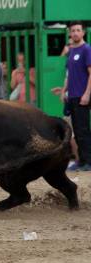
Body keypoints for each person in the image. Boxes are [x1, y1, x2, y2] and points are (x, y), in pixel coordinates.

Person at [60, 21, 91, 171]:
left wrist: (87, 94)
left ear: (83, 32)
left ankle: (88, 162)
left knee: (83, 130)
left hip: (82, 96)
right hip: (72, 96)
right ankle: (81, 160)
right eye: (73, 31)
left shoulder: (87, 49)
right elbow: (69, 74)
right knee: (76, 131)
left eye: (78, 30)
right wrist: (64, 91)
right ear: (70, 33)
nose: (75, 33)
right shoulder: (71, 51)